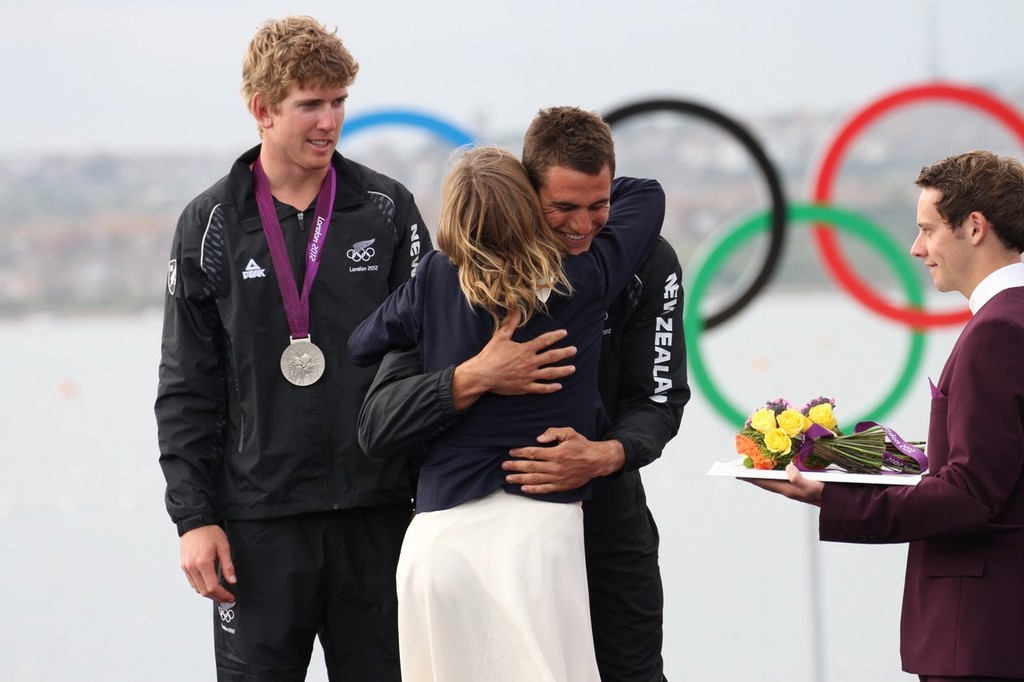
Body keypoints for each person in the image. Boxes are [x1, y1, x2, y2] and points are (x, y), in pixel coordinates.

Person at [357, 105, 690, 681]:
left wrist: (606, 454)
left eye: (599, 204)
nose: (584, 225)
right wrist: (471, 377)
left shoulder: (643, 262)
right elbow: (377, 424)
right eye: (563, 207)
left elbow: (660, 399)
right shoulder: (462, 274)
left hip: (604, 523)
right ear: (523, 195)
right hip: (503, 534)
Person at [154, 16, 429, 681]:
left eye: (338, 102)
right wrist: (194, 519)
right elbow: (187, 385)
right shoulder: (211, 224)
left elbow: (430, 362)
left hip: (380, 514)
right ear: (262, 110)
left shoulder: (387, 210)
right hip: (259, 525)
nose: (328, 120)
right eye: (310, 104)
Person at [751, 150, 1024, 682]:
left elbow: (972, 494)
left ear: (974, 227)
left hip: (983, 635)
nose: (916, 247)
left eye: (927, 229)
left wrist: (832, 496)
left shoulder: (996, 332)